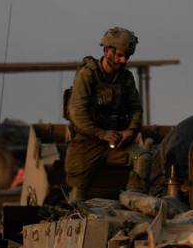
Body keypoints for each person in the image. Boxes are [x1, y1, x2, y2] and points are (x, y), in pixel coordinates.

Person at [64, 27, 151, 202]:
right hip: (87, 141)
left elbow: (136, 109)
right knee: (77, 190)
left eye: (127, 56)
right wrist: (101, 134)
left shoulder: (125, 78)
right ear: (106, 51)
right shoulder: (87, 75)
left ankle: (133, 204)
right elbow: (77, 114)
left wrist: (130, 132)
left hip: (118, 141)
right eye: (119, 55)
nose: (124, 60)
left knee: (143, 159)